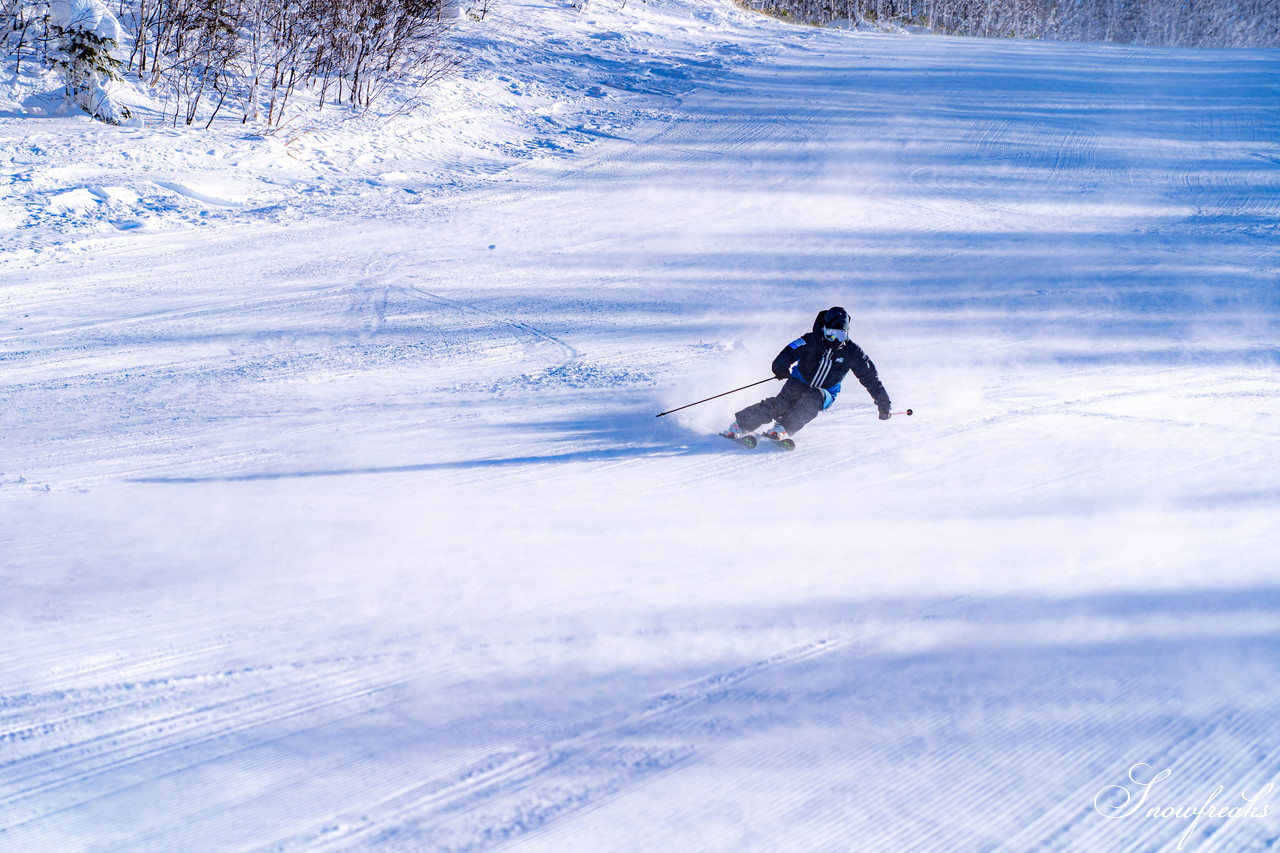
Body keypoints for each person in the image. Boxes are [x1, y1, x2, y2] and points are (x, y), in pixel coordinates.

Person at [722, 307, 892, 443]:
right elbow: (789, 351)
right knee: (781, 404)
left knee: (812, 399)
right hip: (800, 380)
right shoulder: (811, 340)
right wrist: (780, 366)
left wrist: (883, 403)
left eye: (841, 334)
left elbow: (870, 378)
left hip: (826, 391)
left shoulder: (853, 352)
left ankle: (782, 429)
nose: (835, 339)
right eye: (831, 334)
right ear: (824, 329)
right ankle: (739, 426)